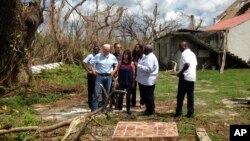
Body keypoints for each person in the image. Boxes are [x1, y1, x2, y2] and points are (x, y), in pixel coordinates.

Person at [90, 44, 118, 112]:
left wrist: (114, 71)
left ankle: (104, 109)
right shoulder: (98, 56)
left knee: (106, 94)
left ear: (109, 50)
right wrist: (93, 70)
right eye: (104, 49)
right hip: (99, 76)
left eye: (106, 49)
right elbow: (91, 63)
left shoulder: (113, 57)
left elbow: (116, 65)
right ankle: (94, 110)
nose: (105, 51)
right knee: (96, 93)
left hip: (108, 76)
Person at [175, 41, 197, 118]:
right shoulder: (193, 54)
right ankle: (190, 113)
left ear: (184, 46)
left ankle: (178, 112)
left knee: (180, 96)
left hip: (185, 77)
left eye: (180, 47)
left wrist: (180, 73)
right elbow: (194, 65)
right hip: (192, 77)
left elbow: (187, 65)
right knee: (190, 95)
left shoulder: (184, 54)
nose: (179, 49)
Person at [135, 44, 159, 115]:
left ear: (148, 50)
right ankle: (149, 109)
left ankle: (150, 111)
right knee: (148, 96)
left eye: (145, 49)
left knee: (149, 97)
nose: (143, 50)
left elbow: (148, 69)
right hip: (145, 80)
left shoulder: (150, 58)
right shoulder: (147, 56)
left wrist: (138, 65)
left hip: (148, 81)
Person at [117, 50, 135, 115]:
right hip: (121, 81)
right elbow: (117, 73)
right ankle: (119, 109)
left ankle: (128, 109)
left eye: (127, 54)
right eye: (124, 54)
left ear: (129, 55)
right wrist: (117, 81)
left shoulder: (132, 63)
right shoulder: (120, 62)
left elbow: (133, 74)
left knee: (128, 96)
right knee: (120, 95)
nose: (125, 55)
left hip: (129, 82)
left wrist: (133, 82)